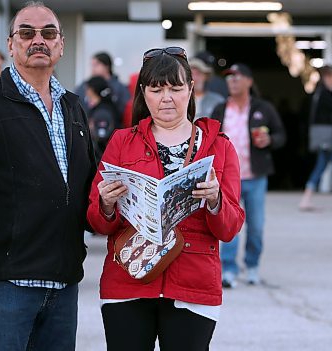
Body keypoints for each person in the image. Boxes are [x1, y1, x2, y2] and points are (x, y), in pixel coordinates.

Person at [0, 2, 96, 350]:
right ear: (11, 45)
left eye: (48, 33)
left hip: (63, 282)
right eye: (26, 32)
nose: (37, 40)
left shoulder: (73, 106)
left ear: (61, 44)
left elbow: (87, 186)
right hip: (7, 282)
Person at [86, 46, 245, 351]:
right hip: (129, 279)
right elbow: (96, 221)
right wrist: (106, 204)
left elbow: (230, 227)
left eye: (175, 88)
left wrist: (215, 201)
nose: (167, 97)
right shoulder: (122, 142)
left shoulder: (219, 147)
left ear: (191, 89)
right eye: (157, 89)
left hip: (194, 284)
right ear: (143, 92)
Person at [210, 63, 286, 288]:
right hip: (228, 179)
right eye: (229, 77)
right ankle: (229, 269)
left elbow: (281, 134)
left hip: (256, 176)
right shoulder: (220, 109)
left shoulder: (263, 108)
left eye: (238, 76)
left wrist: (269, 140)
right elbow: (209, 139)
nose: (232, 80)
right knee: (230, 224)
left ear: (249, 82)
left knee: (256, 225)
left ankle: (252, 265)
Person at [299, 65, 332, 212]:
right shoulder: (325, 94)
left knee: (321, 166)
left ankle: (306, 198)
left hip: (326, 137)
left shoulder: (319, 94)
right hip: (329, 137)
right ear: (327, 77)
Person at [75, 52, 130, 125]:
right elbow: (76, 104)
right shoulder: (84, 86)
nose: (93, 68)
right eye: (92, 65)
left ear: (107, 66)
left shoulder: (119, 88)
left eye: (96, 65)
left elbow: (125, 110)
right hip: (87, 129)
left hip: (113, 129)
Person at [85, 76, 118, 161]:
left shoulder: (102, 112)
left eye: (88, 89)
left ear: (93, 90)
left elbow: (102, 137)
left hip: (103, 158)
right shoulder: (104, 108)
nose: (86, 92)